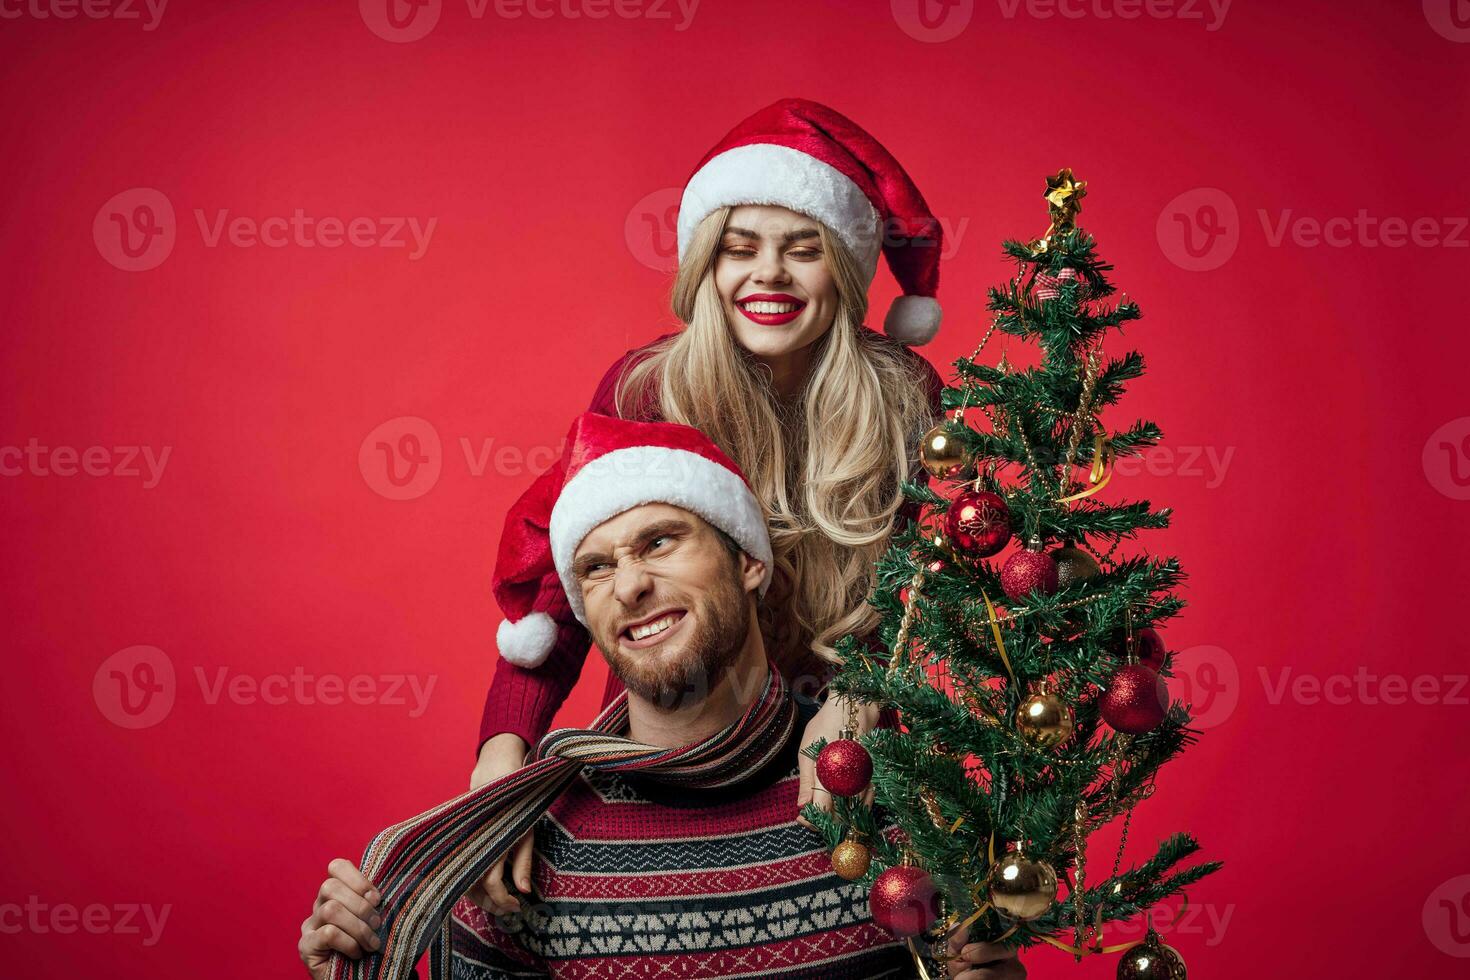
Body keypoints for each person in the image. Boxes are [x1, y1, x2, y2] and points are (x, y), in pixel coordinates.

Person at [298, 414, 1023, 980]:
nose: (630, 586)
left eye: (658, 543)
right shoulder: (519, 848)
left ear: (747, 562)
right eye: (596, 568)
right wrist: (355, 959)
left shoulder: (886, 796)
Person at [473, 98, 952, 909]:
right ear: (707, 263)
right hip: (676, 734)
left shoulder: (903, 395)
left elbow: (923, 579)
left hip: (836, 752)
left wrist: (861, 692)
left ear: (846, 266)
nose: (769, 273)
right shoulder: (647, 387)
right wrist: (502, 747)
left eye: (804, 250)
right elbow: (563, 584)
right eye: (740, 249)